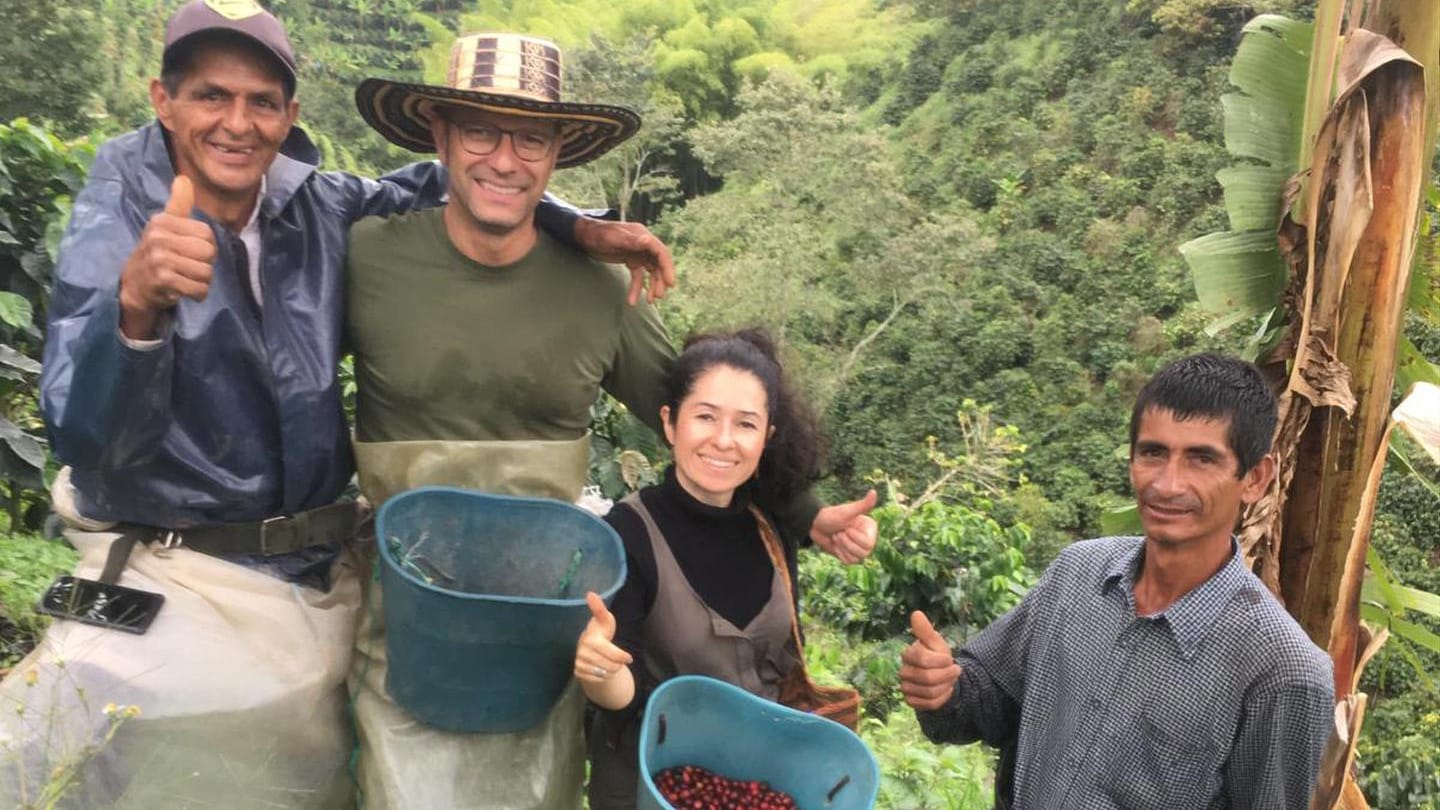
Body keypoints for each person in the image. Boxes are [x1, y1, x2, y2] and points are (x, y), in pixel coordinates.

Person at [0, 2, 675, 807]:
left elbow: (458, 186)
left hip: (316, 569)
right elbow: (79, 427)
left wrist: (576, 224)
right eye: (212, 97)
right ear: (163, 99)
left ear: (290, 116)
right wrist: (135, 311)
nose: (237, 124)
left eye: (261, 103)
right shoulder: (124, 216)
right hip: (173, 557)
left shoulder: (317, 208)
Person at [344, 33, 878, 809]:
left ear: (558, 153)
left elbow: (701, 410)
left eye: (531, 137)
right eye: (480, 131)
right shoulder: (368, 257)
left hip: (549, 625)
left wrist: (805, 511)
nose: (504, 158)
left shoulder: (598, 290)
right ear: (440, 136)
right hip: (408, 619)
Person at [899, 353, 1335, 810]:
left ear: (1255, 479)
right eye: (1153, 453)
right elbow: (993, 699)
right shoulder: (1076, 575)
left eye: (1201, 459)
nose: (1167, 485)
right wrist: (943, 689)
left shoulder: (1284, 673)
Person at [574, 328, 869, 809]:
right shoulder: (627, 531)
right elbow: (622, 696)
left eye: (746, 424)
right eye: (705, 417)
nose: (724, 441)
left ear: (767, 436)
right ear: (670, 424)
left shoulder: (771, 524)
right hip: (650, 784)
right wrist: (599, 669)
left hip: (756, 777)